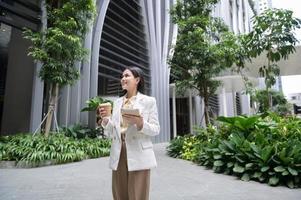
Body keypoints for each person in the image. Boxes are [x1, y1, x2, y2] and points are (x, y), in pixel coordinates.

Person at [98, 66, 160, 200]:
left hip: (139, 152)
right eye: (122, 76)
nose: (123, 79)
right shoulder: (117, 102)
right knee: (119, 194)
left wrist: (140, 123)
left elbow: (156, 129)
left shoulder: (149, 101)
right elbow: (112, 131)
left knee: (137, 194)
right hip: (119, 151)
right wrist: (105, 120)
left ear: (137, 79)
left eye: (127, 76)